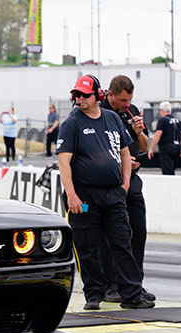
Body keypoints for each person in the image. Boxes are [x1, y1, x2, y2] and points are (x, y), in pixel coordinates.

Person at [55, 74, 154, 310]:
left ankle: (131, 294)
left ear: (97, 96)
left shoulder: (111, 118)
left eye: (84, 95)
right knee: (87, 245)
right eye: (76, 94)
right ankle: (94, 294)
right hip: (85, 194)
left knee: (123, 242)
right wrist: (71, 194)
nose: (79, 98)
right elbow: (63, 162)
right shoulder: (72, 123)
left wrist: (125, 184)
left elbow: (125, 152)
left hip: (114, 193)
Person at [99, 74, 156, 304]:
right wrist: (122, 163)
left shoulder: (131, 111)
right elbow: (96, 150)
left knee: (138, 232)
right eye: (122, 100)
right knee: (112, 237)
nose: (126, 104)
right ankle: (111, 285)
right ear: (110, 95)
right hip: (110, 183)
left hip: (132, 181)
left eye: (128, 100)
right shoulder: (100, 112)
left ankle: (135, 284)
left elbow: (143, 148)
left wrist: (139, 131)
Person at [151, 101, 181, 175]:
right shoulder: (177, 120)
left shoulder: (162, 120)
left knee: (167, 170)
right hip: (177, 147)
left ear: (162, 111)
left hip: (166, 147)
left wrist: (151, 148)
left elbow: (158, 134)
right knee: (172, 168)